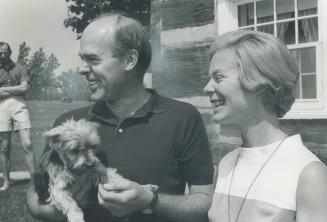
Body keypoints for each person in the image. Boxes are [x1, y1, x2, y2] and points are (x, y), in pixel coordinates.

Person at [27, 12, 214, 222]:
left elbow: (204, 203)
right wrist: (65, 206)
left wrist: (150, 200)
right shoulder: (70, 124)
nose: (81, 69)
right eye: (82, 59)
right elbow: (34, 198)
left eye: (92, 59)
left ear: (129, 60)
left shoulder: (182, 118)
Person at [204, 30, 327, 222]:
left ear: (258, 80)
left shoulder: (308, 174)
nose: (207, 88)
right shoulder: (226, 164)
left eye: (219, 78)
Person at [0, 42, 35, 191]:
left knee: (27, 143)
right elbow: (20, 89)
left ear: (10, 52)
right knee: (4, 147)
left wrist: (2, 88)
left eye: (5, 52)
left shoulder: (20, 68)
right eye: (0, 53)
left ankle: (34, 182)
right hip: (2, 106)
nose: (3, 56)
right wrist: (17, 90)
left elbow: (24, 87)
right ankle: (6, 182)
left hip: (20, 106)